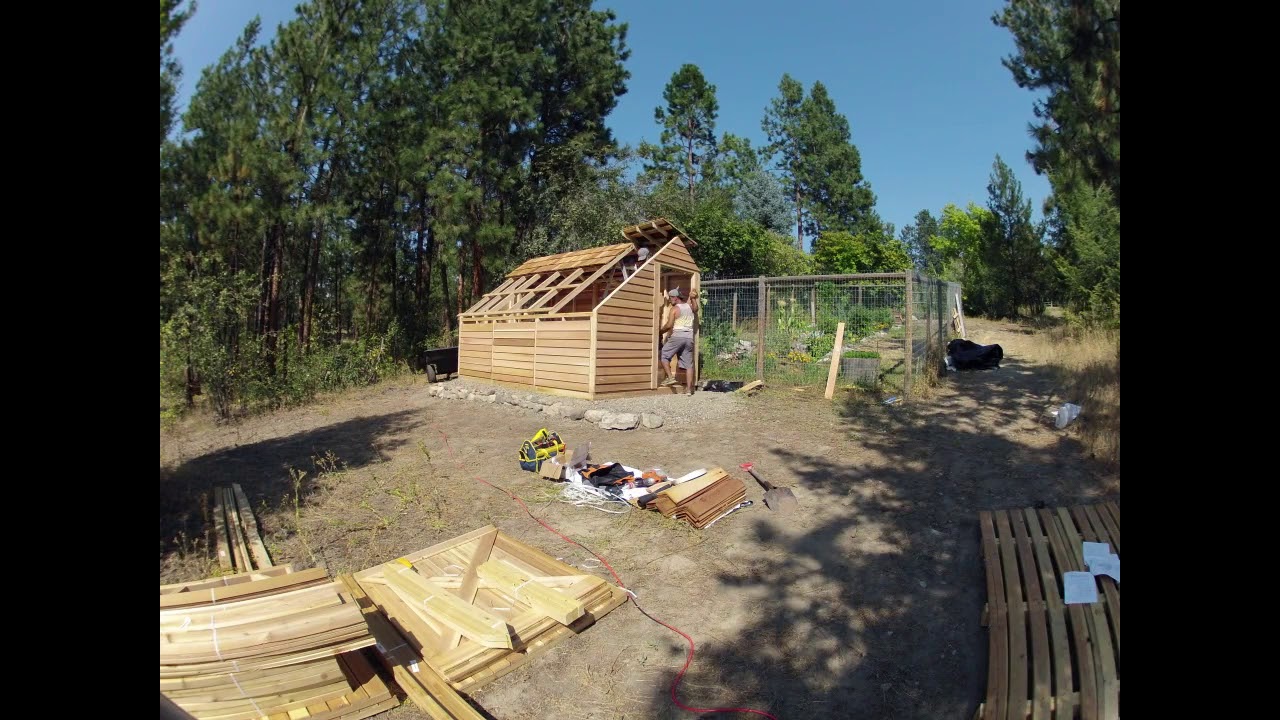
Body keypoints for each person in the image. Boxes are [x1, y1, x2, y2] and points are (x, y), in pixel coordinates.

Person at [658, 287, 699, 394]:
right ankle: (689, 390)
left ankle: (670, 377)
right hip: (689, 338)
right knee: (688, 364)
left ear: (676, 298)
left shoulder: (675, 309)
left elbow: (669, 325)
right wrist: (693, 298)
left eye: (671, 298)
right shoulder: (689, 307)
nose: (670, 301)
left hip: (677, 336)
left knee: (664, 354)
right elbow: (696, 309)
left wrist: (660, 331)